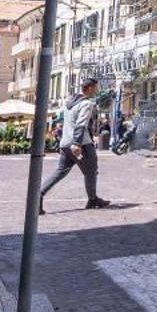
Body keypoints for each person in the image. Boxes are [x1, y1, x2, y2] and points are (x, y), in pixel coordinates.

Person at [40, 77, 109, 213]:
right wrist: (77, 143)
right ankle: (93, 199)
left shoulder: (69, 102)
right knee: (91, 171)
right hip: (81, 143)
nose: (97, 90)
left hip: (65, 142)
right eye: (95, 88)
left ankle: (38, 195)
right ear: (89, 88)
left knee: (60, 172)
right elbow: (81, 123)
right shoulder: (86, 103)